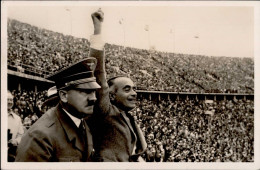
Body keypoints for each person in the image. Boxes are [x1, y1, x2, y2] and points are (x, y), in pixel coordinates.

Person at [15, 58, 101, 162]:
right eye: (85, 91)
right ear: (64, 95)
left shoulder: (82, 122)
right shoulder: (40, 137)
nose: (94, 98)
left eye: (93, 91)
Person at [89, 9, 147, 162]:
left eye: (134, 88)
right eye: (127, 89)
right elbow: (98, 73)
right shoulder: (105, 111)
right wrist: (97, 30)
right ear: (111, 95)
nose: (134, 93)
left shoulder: (127, 116)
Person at [7, 91, 24, 162]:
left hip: (11, 154)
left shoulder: (17, 118)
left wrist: (16, 141)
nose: (10, 102)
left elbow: (21, 135)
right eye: (7, 99)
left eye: (11, 100)